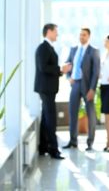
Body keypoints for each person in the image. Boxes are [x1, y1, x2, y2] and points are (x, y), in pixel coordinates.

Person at [34, 23, 71, 159]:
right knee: (51, 118)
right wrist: (60, 69)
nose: (57, 34)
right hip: (46, 88)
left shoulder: (48, 47)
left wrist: (60, 71)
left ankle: (43, 146)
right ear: (49, 31)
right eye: (56, 31)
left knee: (46, 117)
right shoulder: (43, 48)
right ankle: (53, 149)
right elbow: (43, 68)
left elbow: (48, 68)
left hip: (48, 88)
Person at [63, 28, 100, 151]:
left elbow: (96, 72)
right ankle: (73, 141)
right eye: (80, 35)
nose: (81, 37)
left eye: (84, 35)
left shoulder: (93, 51)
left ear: (89, 36)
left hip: (87, 86)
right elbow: (67, 64)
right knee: (72, 112)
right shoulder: (74, 49)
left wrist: (92, 89)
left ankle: (90, 143)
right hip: (75, 84)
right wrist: (69, 77)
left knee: (90, 113)